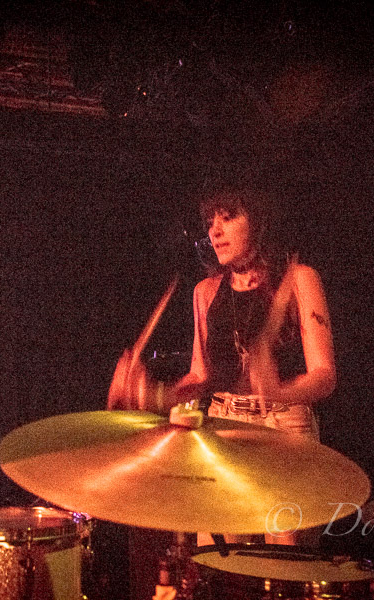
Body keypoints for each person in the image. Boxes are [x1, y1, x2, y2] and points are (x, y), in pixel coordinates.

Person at [108, 184, 337, 543]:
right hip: (224, 424)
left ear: (258, 222)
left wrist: (278, 392)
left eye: (227, 218)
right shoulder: (205, 291)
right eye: (210, 222)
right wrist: (152, 396)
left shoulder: (299, 279)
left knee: (285, 563)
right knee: (219, 559)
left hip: (285, 426)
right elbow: (201, 376)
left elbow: (324, 375)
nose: (214, 231)